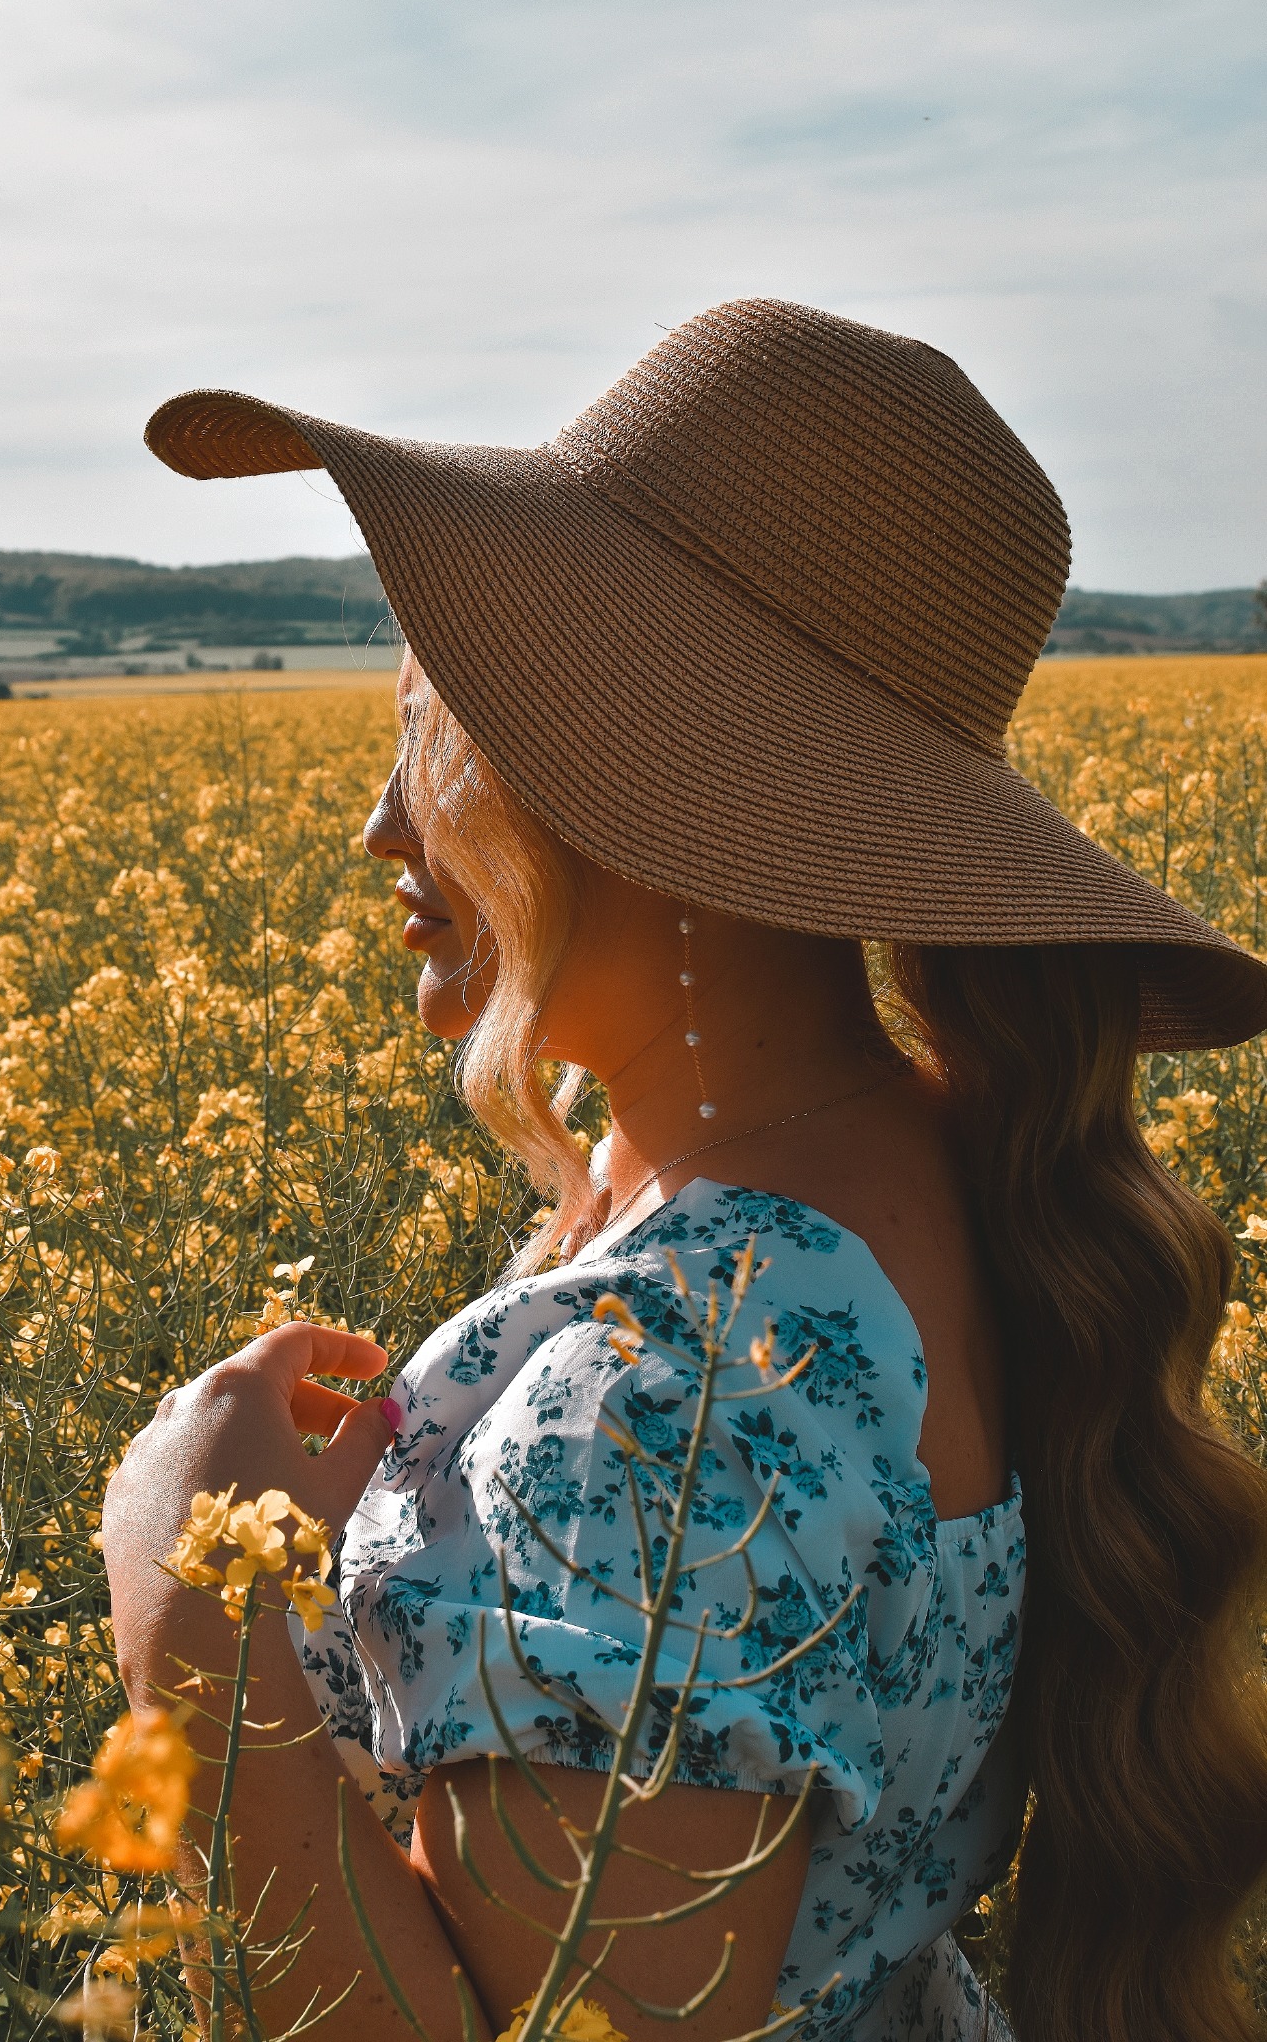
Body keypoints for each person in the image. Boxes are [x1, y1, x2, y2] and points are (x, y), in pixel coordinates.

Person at [106, 301, 1267, 2042]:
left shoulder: (669, 1389)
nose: (380, 824)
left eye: (441, 728)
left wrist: (180, 1611)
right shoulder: (952, 1182)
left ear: (646, 780)